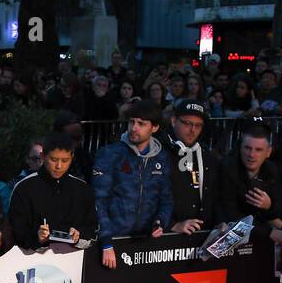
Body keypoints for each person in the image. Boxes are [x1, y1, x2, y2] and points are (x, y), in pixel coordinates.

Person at [93, 101, 172, 269]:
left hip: (147, 244)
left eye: (141, 124)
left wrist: (160, 221)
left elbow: (166, 199)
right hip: (112, 243)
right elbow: (98, 200)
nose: (134, 127)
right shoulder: (109, 153)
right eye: (131, 122)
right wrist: (106, 242)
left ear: (155, 127)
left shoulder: (162, 158)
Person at [7, 132, 97, 249]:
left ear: (72, 158)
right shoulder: (24, 188)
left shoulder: (83, 189)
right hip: (31, 262)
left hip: (75, 262)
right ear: (43, 156)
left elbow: (93, 229)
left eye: (65, 161)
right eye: (54, 159)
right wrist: (37, 237)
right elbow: (14, 230)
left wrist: (79, 236)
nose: (59, 166)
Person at [162, 100, 220, 235]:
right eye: (187, 123)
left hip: (202, 235)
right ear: (173, 121)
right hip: (166, 237)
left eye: (198, 125)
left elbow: (216, 196)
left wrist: (220, 221)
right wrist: (172, 225)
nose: (193, 130)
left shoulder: (209, 156)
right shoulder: (158, 152)